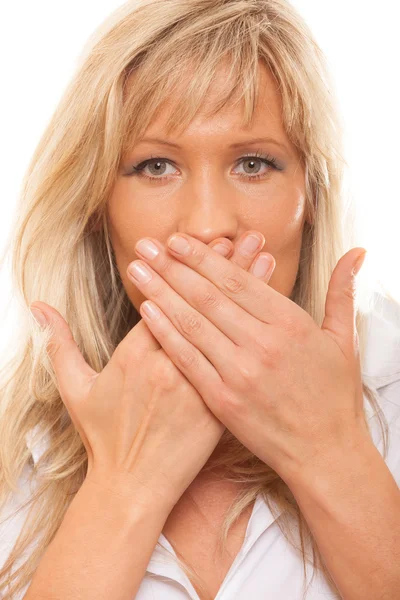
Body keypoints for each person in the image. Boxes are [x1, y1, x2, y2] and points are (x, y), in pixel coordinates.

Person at [0, 1, 399, 599]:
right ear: (95, 204)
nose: (210, 224)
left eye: (254, 163)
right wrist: (124, 488)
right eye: (155, 166)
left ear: (311, 194)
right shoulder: (15, 453)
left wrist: (330, 452)